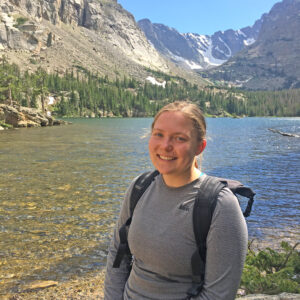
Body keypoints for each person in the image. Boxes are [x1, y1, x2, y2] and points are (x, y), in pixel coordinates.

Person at [104, 101, 248, 300]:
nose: (165, 146)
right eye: (159, 134)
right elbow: (118, 253)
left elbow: (218, 295)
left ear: (200, 146)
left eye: (179, 138)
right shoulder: (140, 187)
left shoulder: (220, 205)